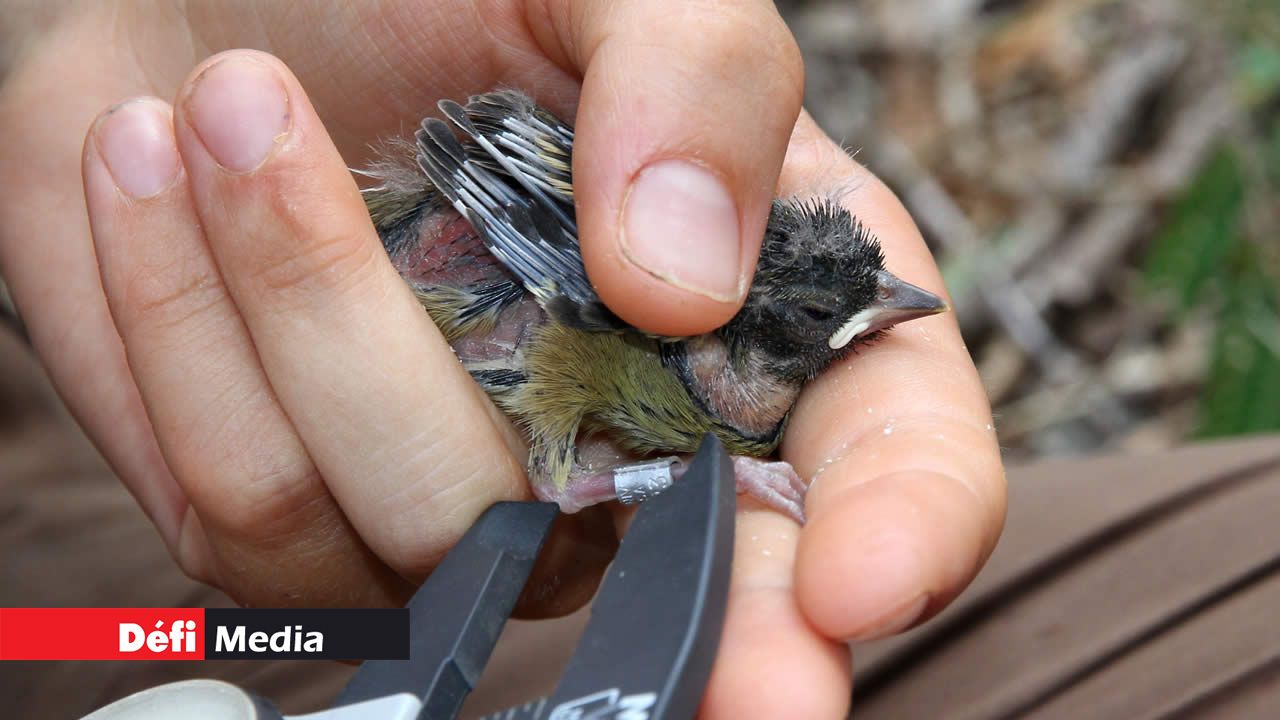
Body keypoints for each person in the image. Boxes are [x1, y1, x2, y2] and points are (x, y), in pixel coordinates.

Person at [0, 2, 1005, 717]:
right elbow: (564, 480)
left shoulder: (703, 312)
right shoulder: (654, 343)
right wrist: (700, 476)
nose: (900, 306)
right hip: (76, 614)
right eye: (827, 311)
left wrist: (66, 31)